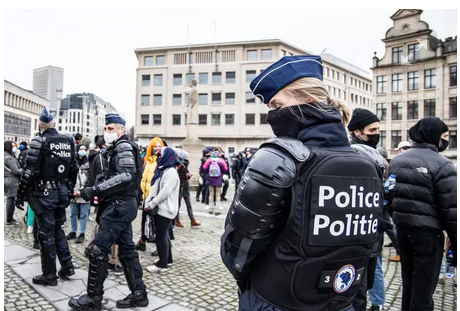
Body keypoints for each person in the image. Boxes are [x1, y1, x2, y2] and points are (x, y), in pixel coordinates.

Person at [220, 55, 384, 311]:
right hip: (345, 299)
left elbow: (239, 248)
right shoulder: (370, 161)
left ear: (308, 98)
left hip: (277, 299)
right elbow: (371, 245)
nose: (272, 115)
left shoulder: (279, 157)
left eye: (276, 104)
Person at [69, 113, 148, 309]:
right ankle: (139, 294)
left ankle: (93, 299)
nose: (107, 132)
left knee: (98, 251)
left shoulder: (122, 146)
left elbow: (126, 176)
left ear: (121, 130)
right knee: (127, 251)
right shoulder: (117, 148)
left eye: (111, 128)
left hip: (118, 207)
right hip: (120, 206)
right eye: (106, 128)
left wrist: (94, 190)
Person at [388, 117, 457, 311]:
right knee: (424, 290)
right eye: (444, 137)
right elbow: (451, 209)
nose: (445, 141)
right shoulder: (443, 164)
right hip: (428, 235)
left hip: (403, 230)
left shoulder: (397, 160)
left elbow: (388, 196)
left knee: (408, 283)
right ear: (434, 136)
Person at [15, 108, 78, 286]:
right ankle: (67, 265)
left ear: (39, 125)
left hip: (45, 195)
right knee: (58, 230)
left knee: (46, 234)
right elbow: (74, 169)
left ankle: (49, 275)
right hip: (62, 194)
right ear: (54, 124)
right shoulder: (68, 141)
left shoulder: (39, 140)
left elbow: (29, 172)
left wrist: (21, 195)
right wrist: (69, 188)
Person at [347, 108, 391, 311]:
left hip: (373, 234)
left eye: (378, 129)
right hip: (357, 236)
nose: (376, 134)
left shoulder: (376, 157)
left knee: (366, 284)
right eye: (372, 129)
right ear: (357, 132)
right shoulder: (351, 155)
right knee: (357, 292)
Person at [145, 147, 180, 273]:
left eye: (160, 155)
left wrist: (152, 203)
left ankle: (162, 264)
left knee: (161, 237)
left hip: (166, 210)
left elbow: (164, 192)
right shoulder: (162, 170)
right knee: (164, 236)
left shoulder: (171, 173)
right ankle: (168, 259)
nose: (158, 157)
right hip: (161, 208)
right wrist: (147, 201)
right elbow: (155, 188)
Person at [136, 137, 164, 251]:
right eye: (155, 146)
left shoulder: (161, 161)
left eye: (159, 146)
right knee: (144, 221)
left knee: (157, 223)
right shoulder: (147, 161)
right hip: (145, 196)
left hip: (155, 197)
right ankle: (142, 241)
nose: (157, 148)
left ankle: (159, 247)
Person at [67, 145, 90, 244]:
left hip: (84, 193)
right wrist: (71, 190)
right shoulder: (72, 163)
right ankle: (73, 231)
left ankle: (82, 233)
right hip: (73, 193)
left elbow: (90, 179)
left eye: (84, 149)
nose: (82, 151)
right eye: (81, 149)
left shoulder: (89, 164)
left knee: (84, 215)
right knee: (73, 214)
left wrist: (82, 190)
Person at [175, 149, 201, 227]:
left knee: (188, 204)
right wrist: (188, 176)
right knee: (178, 205)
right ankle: (176, 220)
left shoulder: (185, 165)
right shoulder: (180, 165)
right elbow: (181, 177)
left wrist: (187, 176)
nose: (187, 159)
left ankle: (192, 220)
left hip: (184, 187)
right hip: (181, 188)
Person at [202, 150, 228, 215]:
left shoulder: (209, 160)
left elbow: (204, 168)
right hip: (218, 178)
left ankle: (210, 208)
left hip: (210, 178)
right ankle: (217, 209)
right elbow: (225, 169)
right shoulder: (221, 161)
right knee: (218, 194)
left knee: (211, 194)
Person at [4, 140, 23, 226]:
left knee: (9, 199)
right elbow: (16, 171)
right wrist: (23, 170)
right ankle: (9, 219)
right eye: (12, 146)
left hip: (5, 179)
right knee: (11, 199)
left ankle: (10, 217)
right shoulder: (9, 158)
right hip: (11, 180)